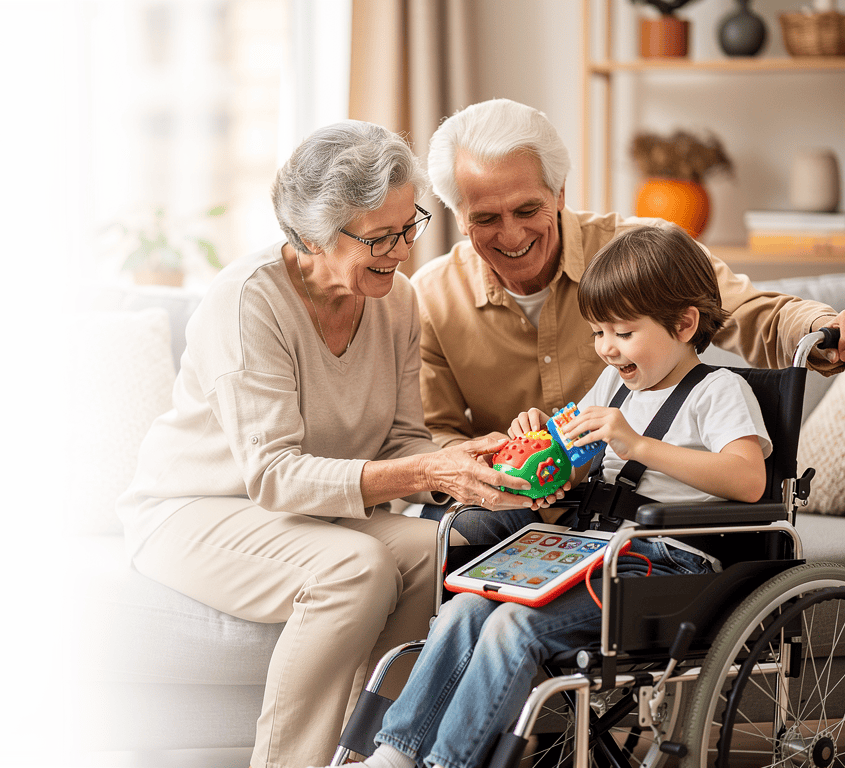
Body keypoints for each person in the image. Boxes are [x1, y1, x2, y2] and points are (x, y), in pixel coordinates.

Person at [116, 121, 551, 768]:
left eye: (410, 227)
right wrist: (426, 470)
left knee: (427, 547)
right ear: (312, 234)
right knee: (354, 569)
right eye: (380, 236)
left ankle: (369, 757)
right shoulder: (248, 303)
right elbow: (274, 477)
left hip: (303, 516)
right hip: (195, 509)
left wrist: (464, 463)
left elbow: (404, 438)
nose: (402, 249)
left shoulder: (397, 300)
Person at [307, 223, 771, 768]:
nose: (607, 348)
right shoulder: (615, 386)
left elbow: (748, 480)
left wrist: (637, 444)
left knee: (512, 625)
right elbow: (568, 472)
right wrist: (537, 445)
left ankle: (448, 762)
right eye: (598, 333)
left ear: (685, 323)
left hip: (668, 565)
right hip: (592, 553)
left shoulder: (718, 391)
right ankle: (396, 753)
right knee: (467, 609)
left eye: (622, 332)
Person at [413, 98, 844, 543]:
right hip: (518, 501)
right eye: (485, 218)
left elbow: (751, 312)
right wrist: (498, 462)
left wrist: (824, 326)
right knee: (448, 532)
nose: (512, 234)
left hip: (625, 516)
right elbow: (436, 434)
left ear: (559, 191)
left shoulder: (641, 252)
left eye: (527, 210)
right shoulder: (431, 298)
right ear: (459, 217)